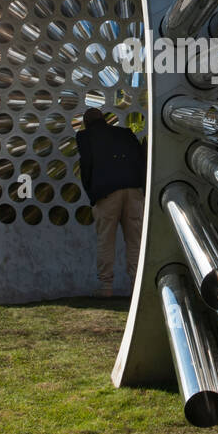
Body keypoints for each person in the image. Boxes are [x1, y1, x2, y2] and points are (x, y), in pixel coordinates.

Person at [77, 108, 146, 298]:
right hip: (133, 190)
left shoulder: (85, 137)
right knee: (135, 240)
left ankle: (106, 287)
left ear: (86, 122)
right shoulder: (125, 133)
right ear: (104, 119)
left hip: (106, 194)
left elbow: (86, 166)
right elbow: (141, 160)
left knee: (106, 239)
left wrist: (92, 192)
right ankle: (136, 285)